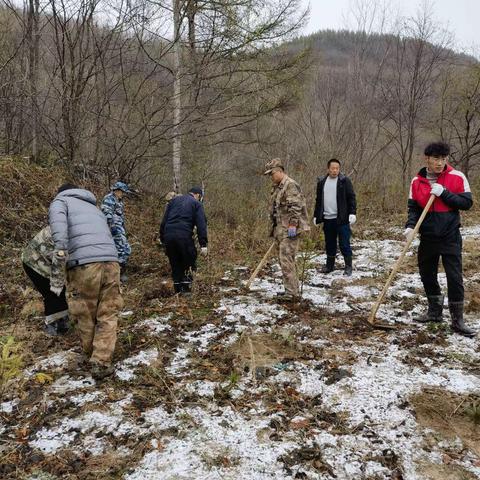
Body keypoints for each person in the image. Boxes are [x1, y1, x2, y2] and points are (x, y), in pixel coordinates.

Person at [49, 183, 124, 379]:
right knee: (108, 311)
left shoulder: (60, 202)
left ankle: (92, 355)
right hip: (111, 261)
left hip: (83, 265)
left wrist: (58, 272)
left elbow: (60, 238)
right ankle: (101, 360)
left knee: (84, 311)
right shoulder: (95, 207)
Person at [405, 141, 475, 337]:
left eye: (443, 159)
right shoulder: (416, 181)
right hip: (428, 237)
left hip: (450, 235)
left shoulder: (456, 176)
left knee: (454, 277)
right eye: (436, 158)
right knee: (427, 274)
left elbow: (467, 203)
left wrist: (444, 193)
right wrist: (410, 227)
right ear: (427, 158)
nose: (440, 163)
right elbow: (413, 208)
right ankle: (434, 312)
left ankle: (457, 320)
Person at [264, 158, 310, 301]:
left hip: (290, 229)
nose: (271, 177)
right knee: (285, 260)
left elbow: (296, 207)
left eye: (272, 174)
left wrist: (292, 226)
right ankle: (291, 290)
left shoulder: (290, 185)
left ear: (279, 171)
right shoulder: (278, 187)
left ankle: (292, 293)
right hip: (281, 229)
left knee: (286, 259)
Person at [159, 186, 208, 294]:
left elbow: (164, 221)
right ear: (198, 195)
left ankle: (177, 291)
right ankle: (186, 292)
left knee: (175, 263)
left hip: (169, 235)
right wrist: (203, 244)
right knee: (189, 260)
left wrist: (163, 239)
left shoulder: (173, 201)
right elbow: (201, 225)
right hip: (183, 235)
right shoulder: (197, 204)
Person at [21, 226, 69, 335]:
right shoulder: (68, 232)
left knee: (59, 293)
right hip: (35, 261)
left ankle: (62, 327)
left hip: (45, 256)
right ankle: (54, 330)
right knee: (55, 293)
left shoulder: (73, 222)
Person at [313, 158, 357, 276]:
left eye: (337, 168)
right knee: (329, 243)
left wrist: (352, 213)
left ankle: (348, 267)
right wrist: (316, 215)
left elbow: (351, 197)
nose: (335, 170)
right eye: (333, 168)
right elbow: (318, 200)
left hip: (341, 219)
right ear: (328, 169)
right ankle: (329, 266)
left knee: (344, 243)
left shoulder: (344, 181)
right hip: (328, 219)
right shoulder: (322, 182)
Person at [101, 181, 131, 283]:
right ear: (117, 191)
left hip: (119, 228)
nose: (123, 194)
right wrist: (112, 227)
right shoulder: (109, 198)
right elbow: (107, 213)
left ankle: (120, 272)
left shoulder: (119, 201)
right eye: (122, 192)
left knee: (126, 249)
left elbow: (120, 216)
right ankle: (118, 275)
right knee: (121, 250)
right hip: (113, 229)